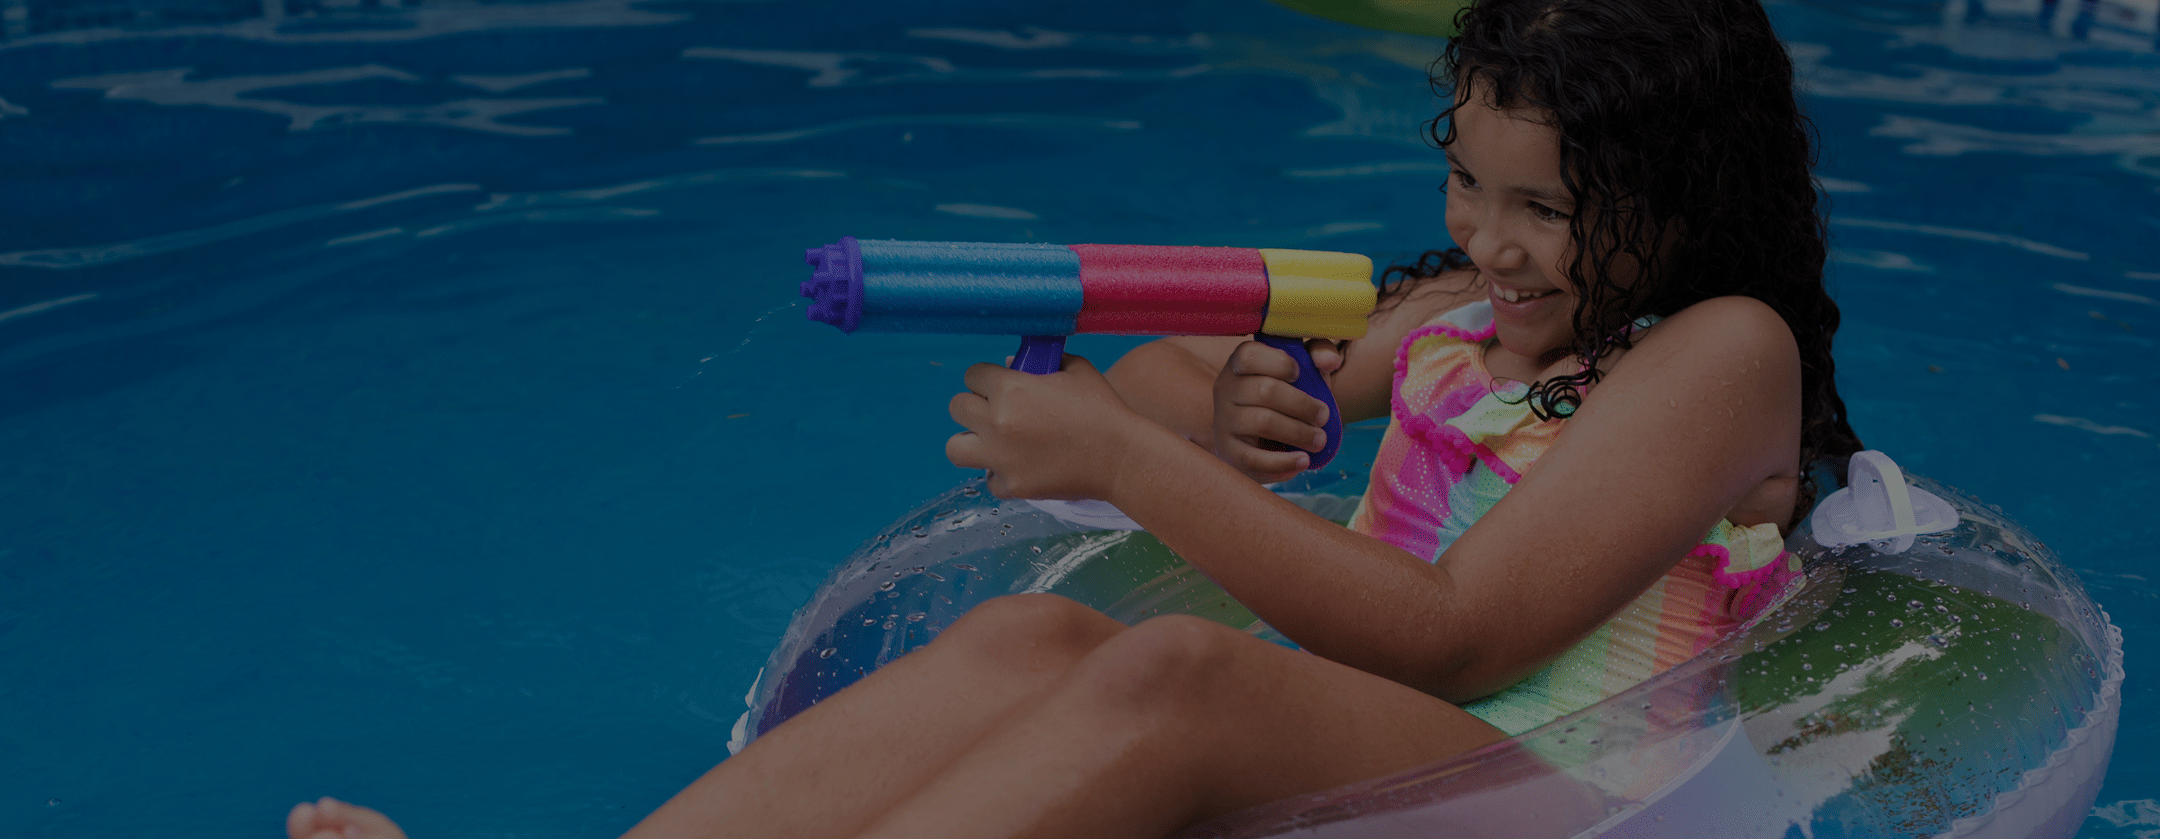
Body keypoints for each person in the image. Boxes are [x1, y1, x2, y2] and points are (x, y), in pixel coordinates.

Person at [287, 0, 1862, 836]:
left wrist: (1121, 460)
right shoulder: (1466, 310)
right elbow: (1182, 375)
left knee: (1179, 666)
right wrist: (1232, 402)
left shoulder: (1722, 348)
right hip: (1410, 745)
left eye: (1552, 208)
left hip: (1575, 786)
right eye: (1471, 185)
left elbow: (1458, 634)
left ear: (1683, 192)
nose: (1498, 240)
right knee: (1043, 647)